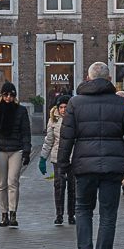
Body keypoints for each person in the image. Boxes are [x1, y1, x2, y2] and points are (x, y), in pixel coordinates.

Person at [58, 62, 124, 249]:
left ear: (88, 78)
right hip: (113, 166)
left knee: (83, 208)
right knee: (108, 215)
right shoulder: (122, 104)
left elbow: (66, 137)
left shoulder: (75, 103)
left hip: (84, 165)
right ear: (108, 79)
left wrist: (62, 163)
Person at [0, 81, 32, 228]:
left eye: (11, 95)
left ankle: (12, 213)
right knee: (1, 183)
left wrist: (27, 150)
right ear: (1, 95)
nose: (9, 98)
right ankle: (3, 214)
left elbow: (26, 132)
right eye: (6, 95)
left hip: (16, 149)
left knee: (13, 181)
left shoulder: (21, 111)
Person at [39, 94, 75, 225]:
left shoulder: (75, 119)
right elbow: (49, 141)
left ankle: (72, 215)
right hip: (57, 157)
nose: (63, 109)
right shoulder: (53, 120)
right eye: (61, 107)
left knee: (73, 187)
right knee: (59, 186)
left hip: (72, 157)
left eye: (66, 107)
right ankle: (59, 214)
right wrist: (43, 157)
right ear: (57, 108)